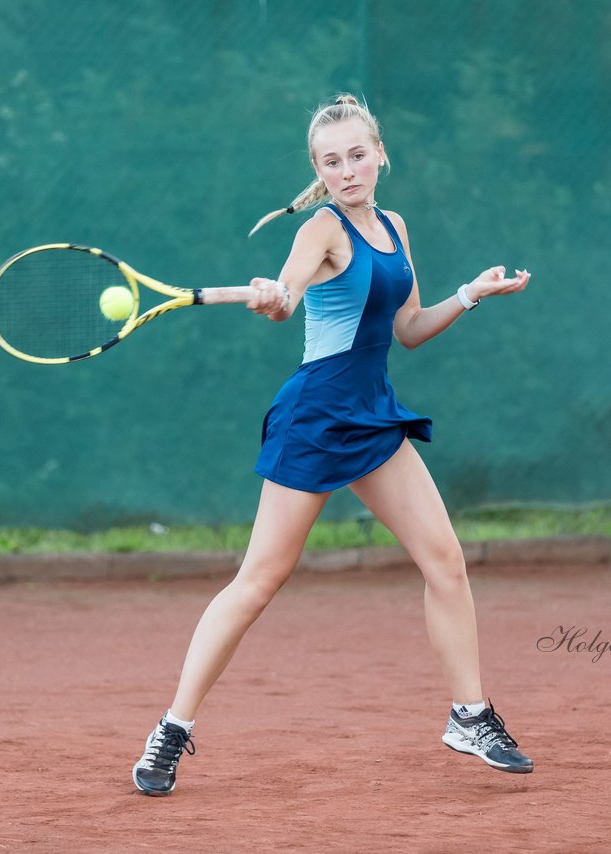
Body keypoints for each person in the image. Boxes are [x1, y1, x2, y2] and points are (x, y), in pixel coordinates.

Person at [132, 93, 533, 796]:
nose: (347, 171)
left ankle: (469, 714)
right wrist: (272, 297)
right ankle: (172, 728)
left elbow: (406, 327)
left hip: (372, 413)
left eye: (356, 155)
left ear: (379, 152)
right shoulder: (320, 229)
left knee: (445, 559)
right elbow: (288, 297)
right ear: (317, 171)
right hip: (316, 416)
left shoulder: (395, 226)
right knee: (259, 580)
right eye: (331, 161)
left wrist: (471, 294)